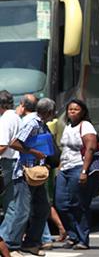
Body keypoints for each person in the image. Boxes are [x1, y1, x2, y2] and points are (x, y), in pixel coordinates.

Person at [0, 98, 55, 256]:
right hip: (24, 173)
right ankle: (10, 245)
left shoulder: (40, 123)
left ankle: (31, 243)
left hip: (36, 172)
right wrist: (34, 152)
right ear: (49, 112)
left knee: (43, 208)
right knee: (21, 210)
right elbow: (15, 143)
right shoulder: (32, 122)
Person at [54, 99, 99, 250]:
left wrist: (84, 171)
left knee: (78, 204)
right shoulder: (68, 126)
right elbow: (65, 149)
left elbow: (90, 148)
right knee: (61, 203)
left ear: (83, 112)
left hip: (78, 167)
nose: (72, 111)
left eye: (76, 109)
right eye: (70, 109)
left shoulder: (86, 126)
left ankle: (82, 239)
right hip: (65, 169)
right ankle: (72, 235)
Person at [0, 90, 20, 212]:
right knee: (13, 198)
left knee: (10, 200)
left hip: (8, 162)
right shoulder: (17, 117)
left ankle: (7, 231)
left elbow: (2, 145)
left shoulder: (5, 120)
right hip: (16, 162)